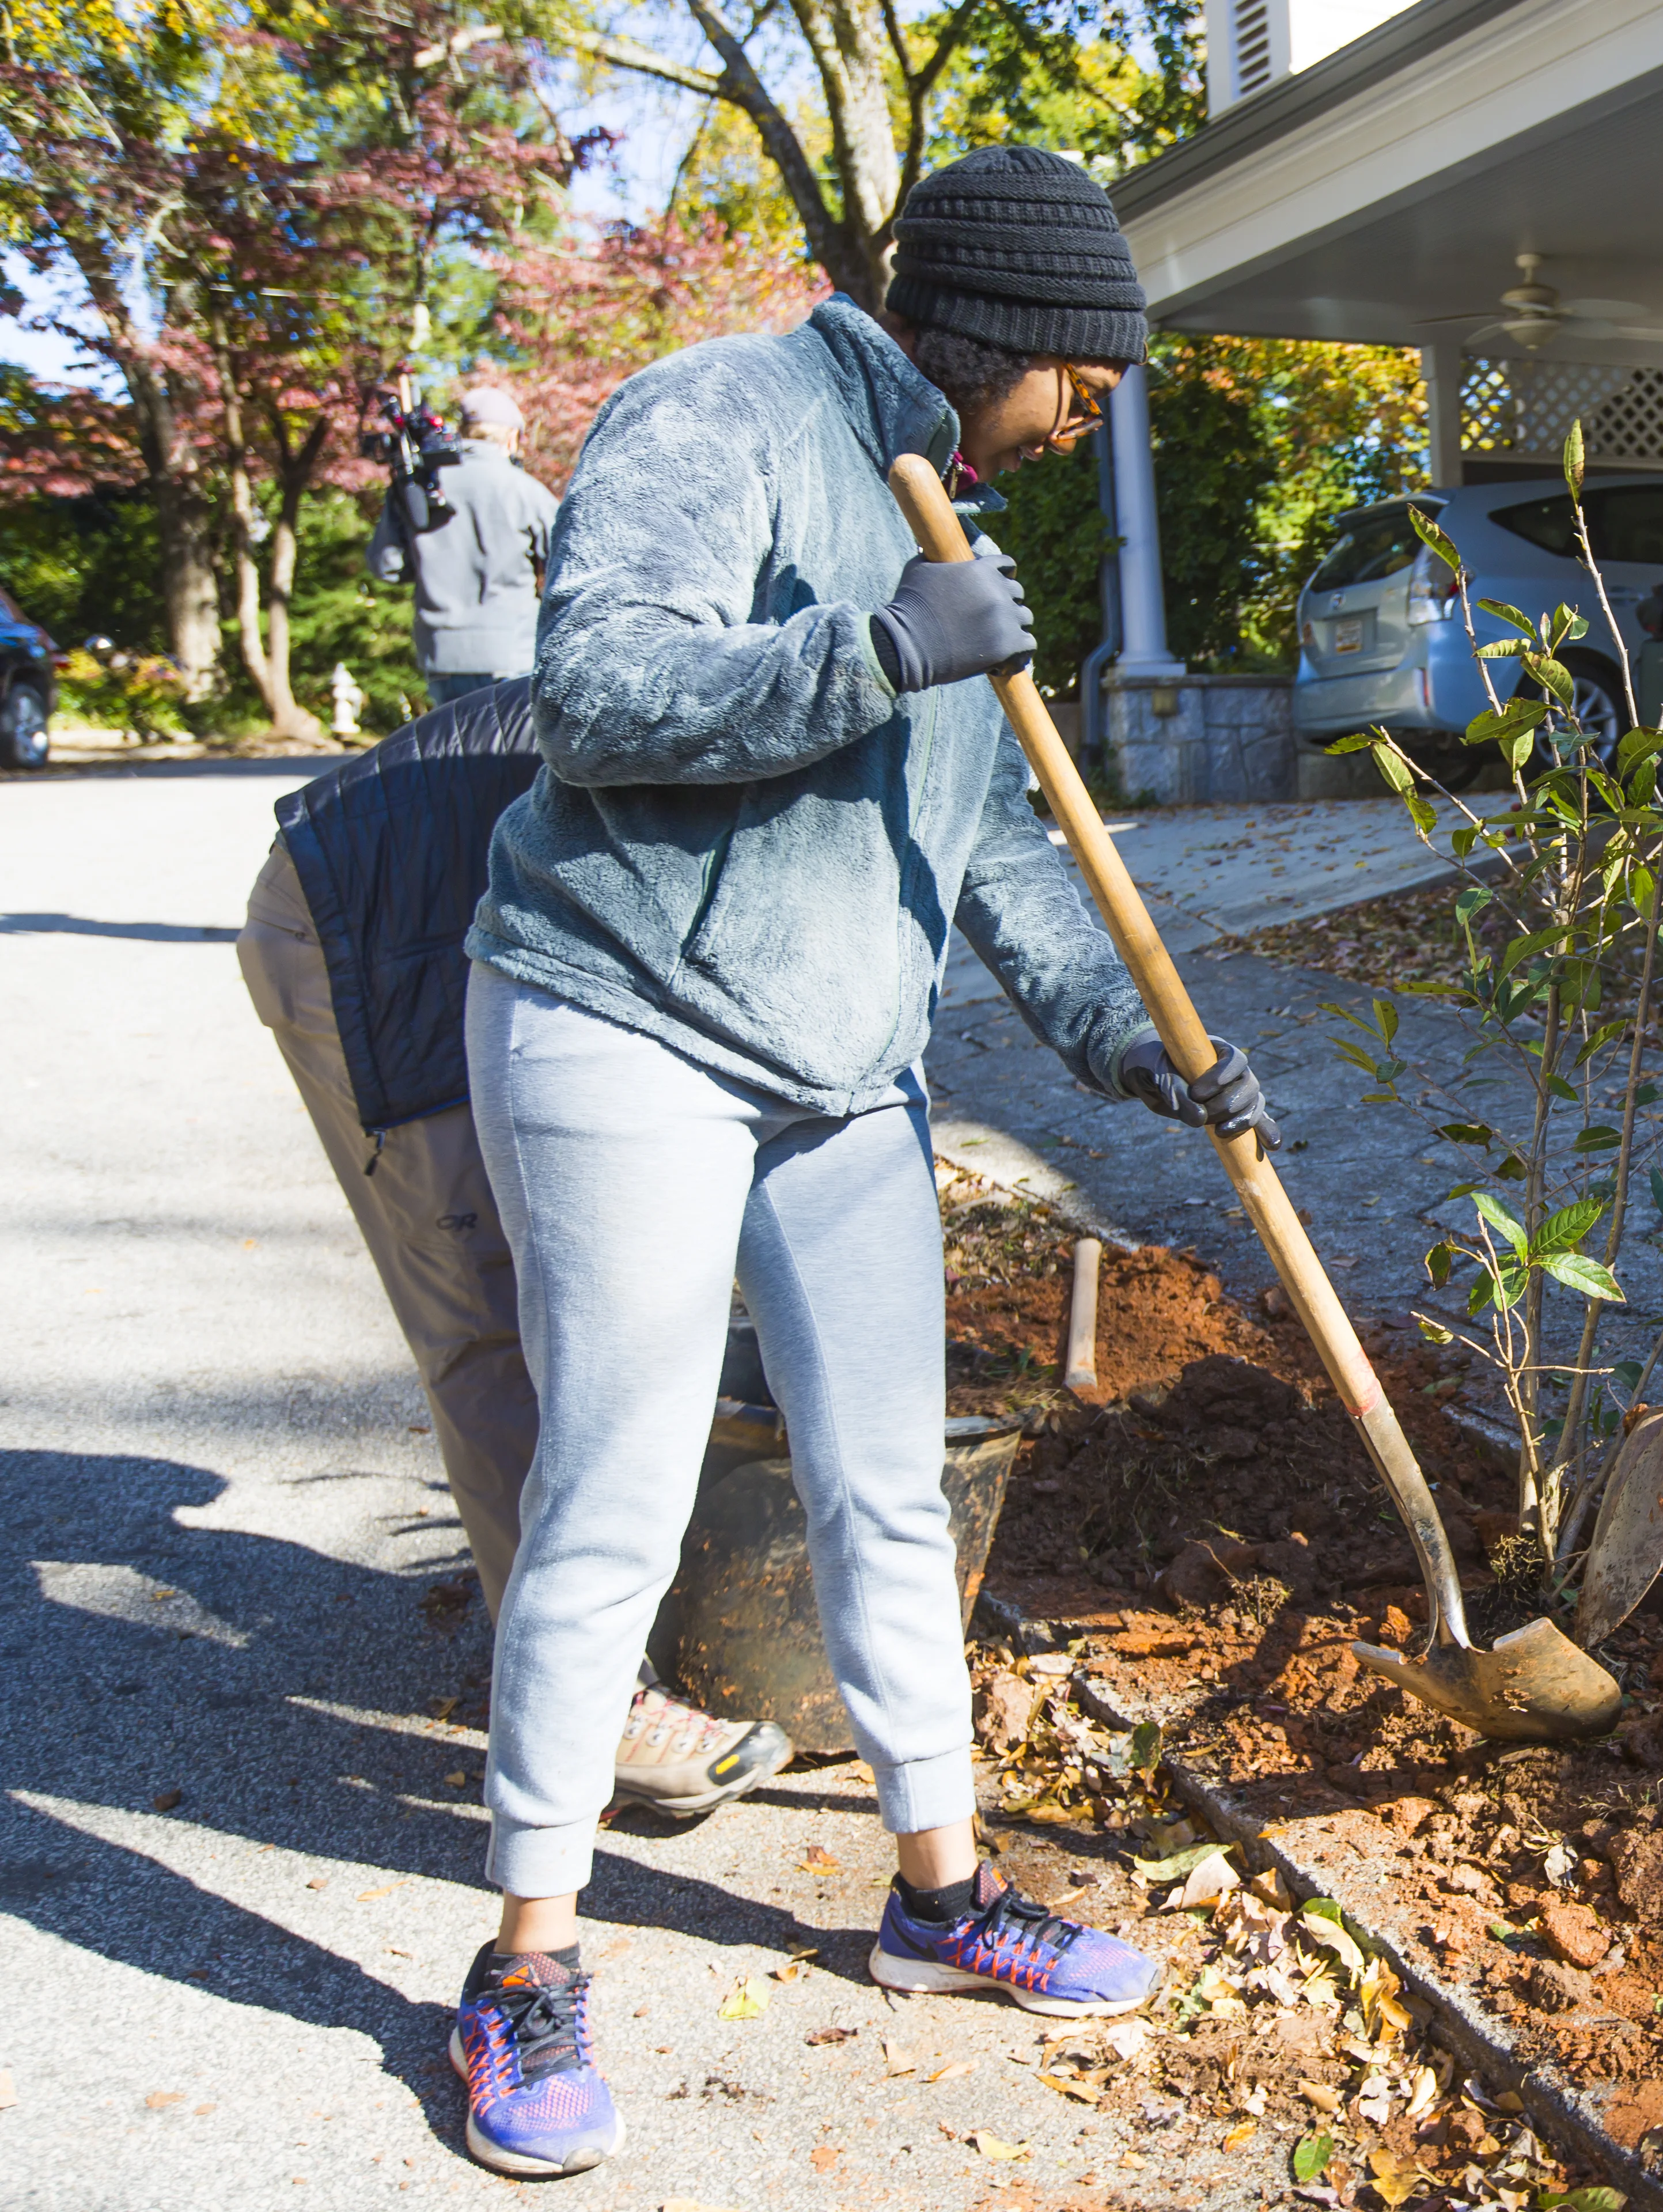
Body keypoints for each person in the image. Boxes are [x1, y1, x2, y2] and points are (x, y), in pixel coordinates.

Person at [442, 146, 1276, 2180]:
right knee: (618, 1493)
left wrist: (1138, 1044)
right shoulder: (717, 414)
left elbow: (987, 839)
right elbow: (597, 693)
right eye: (1080, 378)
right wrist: (875, 652)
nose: (1090, 418)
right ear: (985, 338)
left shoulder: (955, 525)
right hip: (621, 1015)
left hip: (845, 1066)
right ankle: (526, 1963)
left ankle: (936, 1895)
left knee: (890, 1487)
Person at [234, 680, 795, 1815]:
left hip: (478, 916)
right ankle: (594, 1716)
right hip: (375, 928)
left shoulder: (783, 692)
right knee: (488, 1312)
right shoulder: (733, 688)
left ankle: (569, 1609)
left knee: (584, 1289)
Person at [366, 385, 562, 707]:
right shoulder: (524, 490)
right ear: (512, 437)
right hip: (511, 651)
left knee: (455, 751)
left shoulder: (418, 486)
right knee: (510, 753)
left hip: (443, 655)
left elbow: (387, 566)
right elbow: (570, 561)